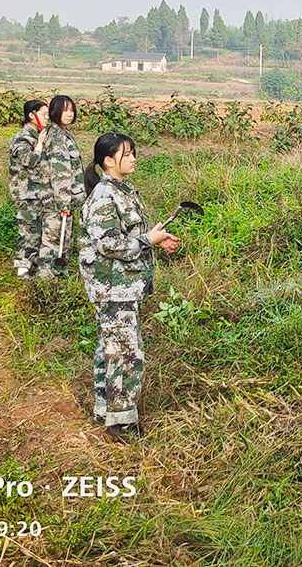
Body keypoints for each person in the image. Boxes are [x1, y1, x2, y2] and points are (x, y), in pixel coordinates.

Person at [79, 132, 180, 442]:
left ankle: (104, 409)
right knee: (126, 352)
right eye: (127, 154)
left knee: (111, 346)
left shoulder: (122, 190)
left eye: (133, 152)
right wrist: (147, 240)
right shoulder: (104, 196)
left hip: (124, 283)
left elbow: (128, 235)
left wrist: (156, 240)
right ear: (109, 161)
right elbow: (109, 243)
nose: (134, 158)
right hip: (112, 286)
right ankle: (121, 422)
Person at [40, 95, 85, 273]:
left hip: (64, 200)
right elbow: (60, 173)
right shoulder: (57, 136)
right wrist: (64, 202)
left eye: (72, 110)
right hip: (57, 202)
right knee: (53, 243)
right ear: (55, 111)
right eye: (65, 110)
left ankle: (59, 277)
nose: (69, 114)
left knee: (64, 241)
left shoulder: (64, 133)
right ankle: (45, 283)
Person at [8, 100, 51, 279]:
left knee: (36, 228)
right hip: (26, 191)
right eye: (43, 114)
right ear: (31, 116)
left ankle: (31, 264)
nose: (46, 118)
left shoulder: (37, 133)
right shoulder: (24, 137)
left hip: (37, 190)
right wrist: (40, 144)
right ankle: (22, 267)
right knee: (28, 230)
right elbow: (29, 160)